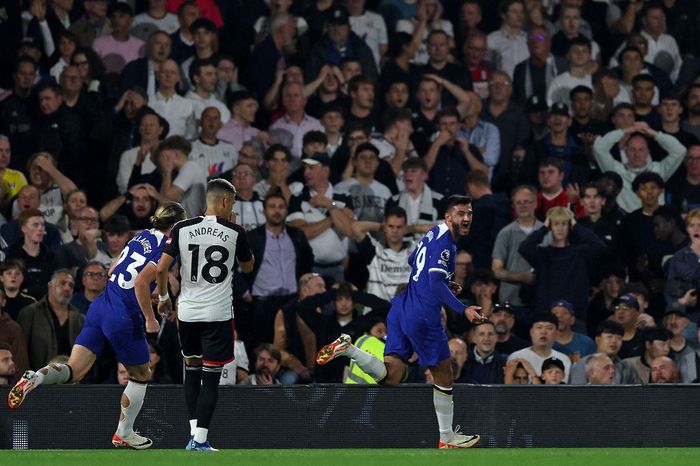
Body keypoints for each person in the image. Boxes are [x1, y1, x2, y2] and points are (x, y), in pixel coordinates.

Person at [7, 202, 187, 450]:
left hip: (102, 306)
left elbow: (115, 270)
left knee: (74, 371)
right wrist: (150, 317)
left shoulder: (142, 236)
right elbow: (141, 284)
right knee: (141, 375)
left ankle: (35, 377)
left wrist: (157, 297)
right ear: (176, 225)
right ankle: (124, 432)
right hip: (124, 316)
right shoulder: (168, 247)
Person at [315, 195, 483, 448]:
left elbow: (412, 260)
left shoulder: (433, 231)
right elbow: (435, 282)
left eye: (469, 213)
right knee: (444, 373)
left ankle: (348, 349)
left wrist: (443, 283)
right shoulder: (447, 246)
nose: (466, 218)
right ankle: (447, 437)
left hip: (401, 307)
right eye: (461, 213)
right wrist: (464, 308)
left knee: (391, 375)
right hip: (423, 316)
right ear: (448, 216)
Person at [156, 179, 254, 451]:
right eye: (232, 203)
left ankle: (193, 434)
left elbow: (162, 268)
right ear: (224, 202)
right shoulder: (235, 231)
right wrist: (236, 229)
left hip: (187, 312)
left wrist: (164, 298)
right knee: (211, 378)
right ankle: (200, 440)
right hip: (218, 314)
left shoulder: (181, 228)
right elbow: (247, 267)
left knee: (192, 371)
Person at [508, 313, 572, 381]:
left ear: (556, 333)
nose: (543, 332)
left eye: (549, 328)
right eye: (539, 327)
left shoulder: (564, 360)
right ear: (531, 332)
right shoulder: (516, 357)